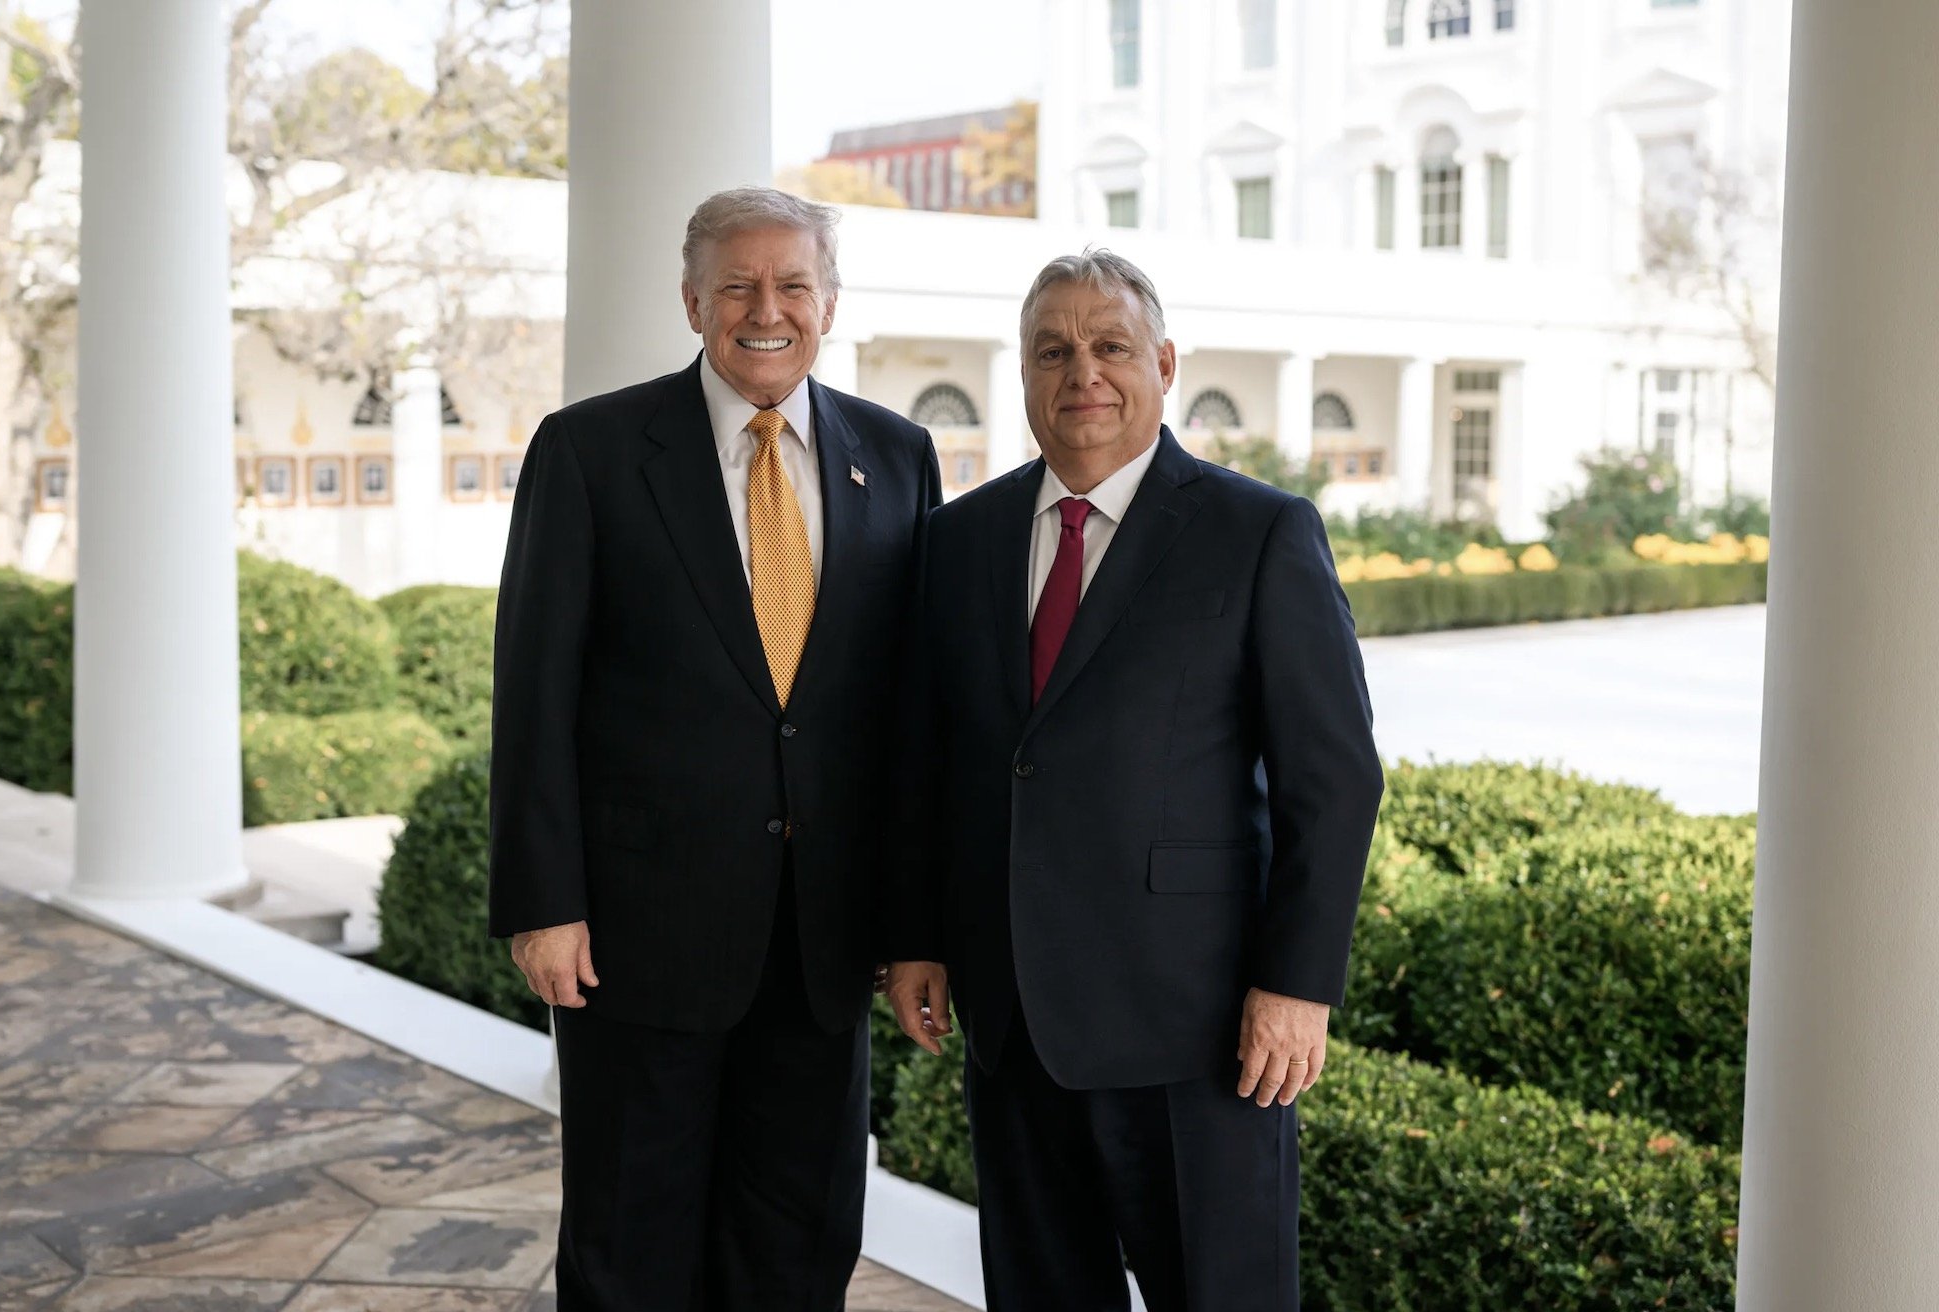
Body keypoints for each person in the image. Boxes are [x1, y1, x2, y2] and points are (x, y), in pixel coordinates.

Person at [884, 249, 1383, 1311]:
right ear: (1024, 373)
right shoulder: (957, 540)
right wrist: (918, 934)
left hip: (1198, 1030)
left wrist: (1298, 987)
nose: (1083, 374)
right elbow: (928, 757)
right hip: (1015, 1020)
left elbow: (1333, 778)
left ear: (1162, 363)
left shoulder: (1259, 532)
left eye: (1110, 345)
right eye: (1052, 351)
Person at [490, 186, 940, 1311]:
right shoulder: (590, 451)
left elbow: (910, 716)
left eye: (793, 285)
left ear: (830, 302)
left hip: (823, 944)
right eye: (737, 286)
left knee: (799, 1242)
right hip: (637, 941)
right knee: (629, 1245)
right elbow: (534, 694)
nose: (766, 310)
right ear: (692, 303)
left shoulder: (899, 456)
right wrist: (543, 903)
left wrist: (913, 928)